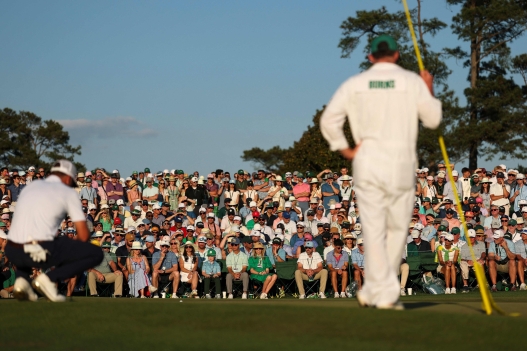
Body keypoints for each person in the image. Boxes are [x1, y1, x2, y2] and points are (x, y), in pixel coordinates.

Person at [320, 34, 441, 309]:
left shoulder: (355, 83)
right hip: (399, 163)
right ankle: (383, 293)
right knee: (397, 229)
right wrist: (428, 87)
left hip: (368, 163)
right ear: (397, 55)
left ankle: (375, 289)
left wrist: (346, 149)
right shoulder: (412, 81)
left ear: (370, 56)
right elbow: (433, 119)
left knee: (373, 229)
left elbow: (329, 120)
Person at [5, 160, 103, 302]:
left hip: (12, 249)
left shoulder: (30, 187)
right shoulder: (68, 193)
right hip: (39, 248)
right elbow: (83, 235)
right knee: (96, 253)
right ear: (68, 178)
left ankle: (22, 281)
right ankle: (48, 279)